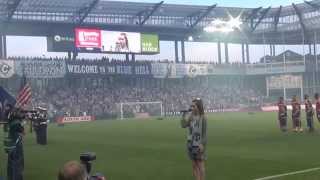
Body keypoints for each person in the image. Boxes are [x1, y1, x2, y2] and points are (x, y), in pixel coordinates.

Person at [181, 98, 207, 180]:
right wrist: (183, 116)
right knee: (194, 165)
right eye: (191, 106)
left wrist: (202, 144)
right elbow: (184, 125)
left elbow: (204, 134)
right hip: (190, 144)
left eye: (193, 106)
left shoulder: (203, 118)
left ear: (198, 106)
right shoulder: (191, 116)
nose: (191, 107)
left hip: (198, 144)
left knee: (200, 164)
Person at [6, 107, 25, 180]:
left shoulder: (11, 120)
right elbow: (23, 132)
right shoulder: (17, 123)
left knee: (11, 162)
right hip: (16, 144)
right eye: (20, 113)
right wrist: (22, 124)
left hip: (10, 144)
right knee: (17, 162)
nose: (22, 114)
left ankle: (10, 176)